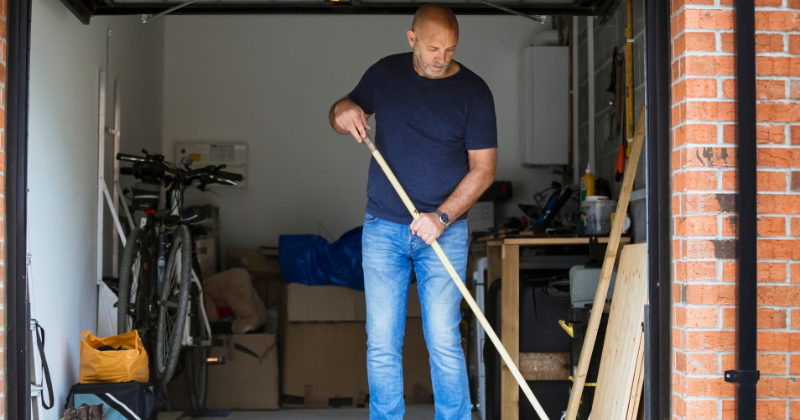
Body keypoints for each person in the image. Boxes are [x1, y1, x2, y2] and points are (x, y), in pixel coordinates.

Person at [328, 4, 497, 419]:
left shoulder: (474, 92)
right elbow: (343, 112)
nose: (441, 58)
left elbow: (484, 170)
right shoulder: (385, 74)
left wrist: (441, 217)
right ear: (411, 39)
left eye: (450, 49)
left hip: (445, 230)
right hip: (383, 226)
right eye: (433, 48)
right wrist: (342, 111)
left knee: (443, 338)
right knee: (382, 340)